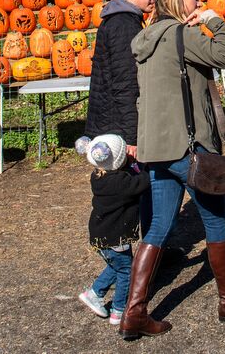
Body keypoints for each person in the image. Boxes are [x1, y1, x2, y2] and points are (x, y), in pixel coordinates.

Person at [119, 0, 225, 340]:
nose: (198, 3)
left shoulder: (146, 40)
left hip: (157, 147)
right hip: (189, 145)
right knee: (216, 220)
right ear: (177, 0)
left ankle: (134, 312)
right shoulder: (183, 36)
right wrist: (213, 20)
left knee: (158, 227)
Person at [84, 0, 157, 157]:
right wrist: (132, 136)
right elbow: (126, 82)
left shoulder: (122, 19)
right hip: (117, 126)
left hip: (112, 120)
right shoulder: (123, 25)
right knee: (129, 183)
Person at [78, 134, 149, 326]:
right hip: (115, 236)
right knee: (127, 270)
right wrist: (143, 167)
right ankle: (119, 310)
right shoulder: (122, 183)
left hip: (100, 234)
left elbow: (119, 171)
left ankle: (94, 293)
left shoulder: (98, 176)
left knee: (115, 266)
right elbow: (142, 182)